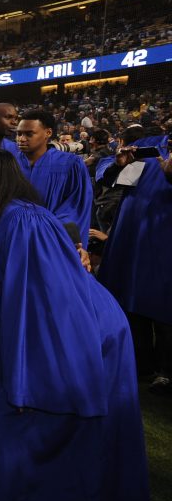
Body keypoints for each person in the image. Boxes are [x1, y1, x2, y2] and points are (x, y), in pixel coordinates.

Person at [0, 149, 150, 501]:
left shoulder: (24, 220)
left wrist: (29, 377)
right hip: (24, 340)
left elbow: (47, 302)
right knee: (0, 422)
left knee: (12, 424)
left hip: (66, 339)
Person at [96, 132, 172, 390]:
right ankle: (142, 363)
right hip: (133, 234)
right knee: (130, 296)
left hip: (164, 235)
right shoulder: (151, 145)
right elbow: (111, 176)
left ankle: (166, 370)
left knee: (164, 302)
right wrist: (119, 165)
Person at [15, 109, 92, 246]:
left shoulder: (71, 164)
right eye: (19, 134)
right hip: (16, 236)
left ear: (48, 133)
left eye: (29, 134)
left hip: (54, 239)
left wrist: (43, 229)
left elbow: (76, 206)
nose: (21, 139)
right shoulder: (10, 163)